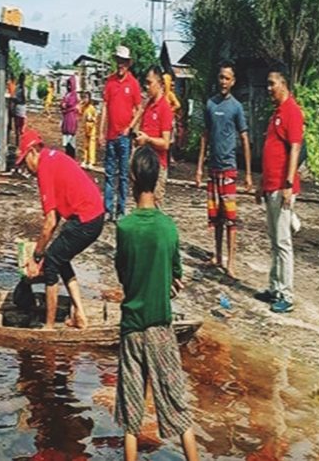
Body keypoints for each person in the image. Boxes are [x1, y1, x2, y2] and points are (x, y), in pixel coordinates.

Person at [114, 145, 199, 461]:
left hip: (133, 329)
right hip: (161, 327)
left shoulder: (124, 228)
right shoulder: (168, 228)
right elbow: (176, 279)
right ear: (157, 178)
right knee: (178, 405)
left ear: (133, 177)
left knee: (131, 412)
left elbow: (125, 276)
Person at [18, 129, 105, 330]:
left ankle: (48, 325)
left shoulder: (43, 169)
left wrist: (36, 257)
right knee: (60, 257)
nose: (26, 168)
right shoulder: (53, 157)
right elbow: (54, 217)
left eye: (25, 162)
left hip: (86, 218)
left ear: (32, 152)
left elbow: (49, 223)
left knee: (51, 265)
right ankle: (79, 314)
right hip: (92, 216)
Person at [194, 60, 253, 278]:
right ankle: (217, 256)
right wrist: (199, 168)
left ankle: (231, 261)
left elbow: (244, 138)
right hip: (213, 169)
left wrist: (247, 174)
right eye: (221, 77)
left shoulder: (236, 107)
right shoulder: (211, 104)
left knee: (231, 219)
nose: (223, 81)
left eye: (227, 78)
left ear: (233, 81)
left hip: (229, 169)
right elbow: (205, 137)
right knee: (216, 217)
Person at [255, 63, 304, 314]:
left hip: (282, 188)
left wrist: (287, 183)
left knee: (283, 242)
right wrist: (262, 183)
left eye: (272, 83)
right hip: (270, 185)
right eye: (268, 83)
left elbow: (295, 148)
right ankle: (274, 288)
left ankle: (286, 294)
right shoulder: (277, 113)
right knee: (274, 240)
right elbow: (271, 151)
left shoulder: (292, 112)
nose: (269, 88)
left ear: (283, 84)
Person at [99, 46, 142, 220]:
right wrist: (101, 131)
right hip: (110, 135)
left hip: (124, 136)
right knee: (109, 174)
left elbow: (139, 109)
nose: (121, 65)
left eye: (124, 62)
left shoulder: (133, 84)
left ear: (128, 64)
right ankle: (108, 209)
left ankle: (121, 210)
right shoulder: (110, 82)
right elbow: (104, 107)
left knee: (123, 175)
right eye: (119, 61)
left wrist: (130, 127)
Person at [134, 66, 173, 207]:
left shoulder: (165, 108)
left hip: (156, 166)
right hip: (143, 164)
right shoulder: (148, 105)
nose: (146, 86)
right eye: (145, 82)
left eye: (150, 83)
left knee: (154, 206)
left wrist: (148, 139)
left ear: (160, 84)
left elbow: (166, 143)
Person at [59, 77, 79, 158]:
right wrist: (63, 104)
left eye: (70, 84)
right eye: (68, 84)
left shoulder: (74, 94)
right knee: (66, 139)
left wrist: (65, 105)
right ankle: (67, 155)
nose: (69, 86)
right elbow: (62, 103)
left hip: (71, 118)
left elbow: (70, 104)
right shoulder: (67, 94)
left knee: (71, 139)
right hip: (66, 118)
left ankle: (71, 156)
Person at [78, 92, 98, 168]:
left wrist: (92, 118)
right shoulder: (84, 107)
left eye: (86, 98)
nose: (85, 100)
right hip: (85, 127)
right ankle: (85, 159)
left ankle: (91, 161)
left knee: (91, 144)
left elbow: (96, 118)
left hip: (92, 127)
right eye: (84, 98)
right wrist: (80, 104)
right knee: (85, 144)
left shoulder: (91, 108)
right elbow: (79, 112)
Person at [13, 74, 28, 146]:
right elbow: (26, 98)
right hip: (22, 107)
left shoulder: (17, 87)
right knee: (23, 124)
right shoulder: (24, 88)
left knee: (17, 125)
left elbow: (14, 97)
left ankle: (17, 142)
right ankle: (22, 142)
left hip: (17, 107)